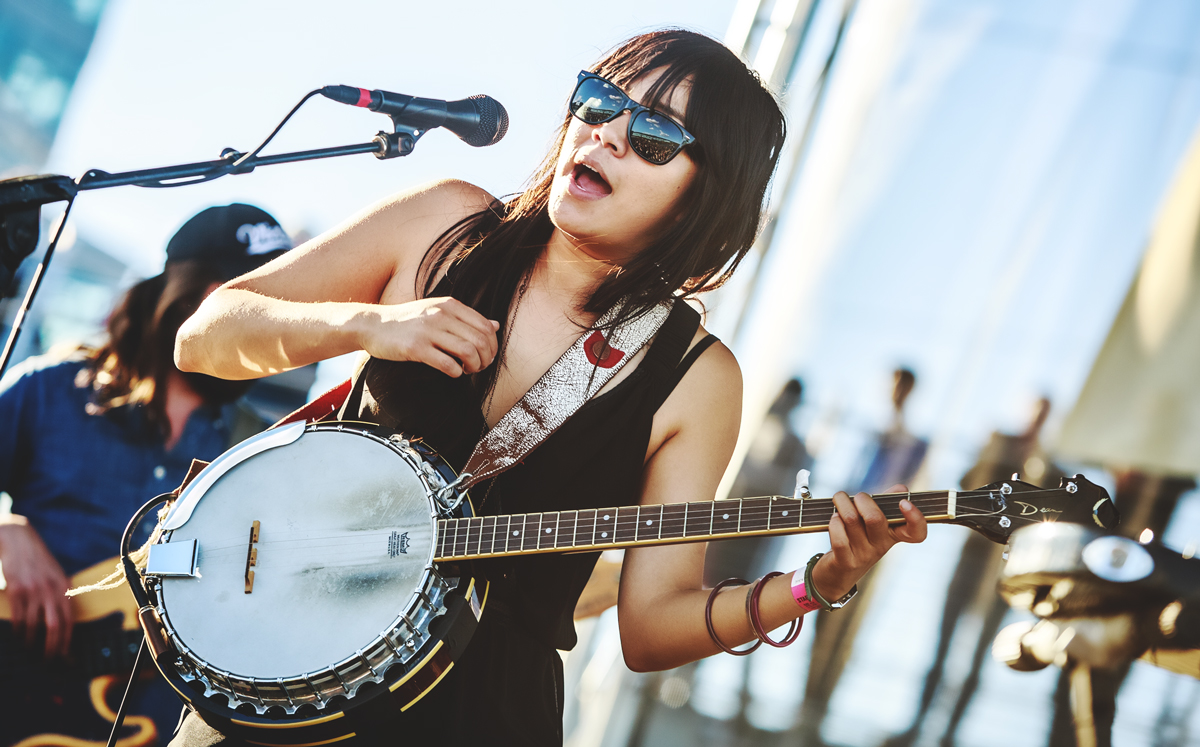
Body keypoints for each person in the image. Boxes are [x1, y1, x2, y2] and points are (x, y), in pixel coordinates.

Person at [172, 30, 929, 746]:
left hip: (479, 713)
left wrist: (819, 581)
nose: (605, 133)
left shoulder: (697, 376)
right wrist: (372, 325)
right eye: (599, 101)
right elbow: (205, 337)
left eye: (655, 135)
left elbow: (653, 625)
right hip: (283, 686)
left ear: (706, 194)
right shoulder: (445, 224)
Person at [0, 204, 292, 745]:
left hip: (158, 722)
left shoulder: (266, 449)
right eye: (248, 298)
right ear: (188, 297)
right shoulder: (49, 390)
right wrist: (7, 531)